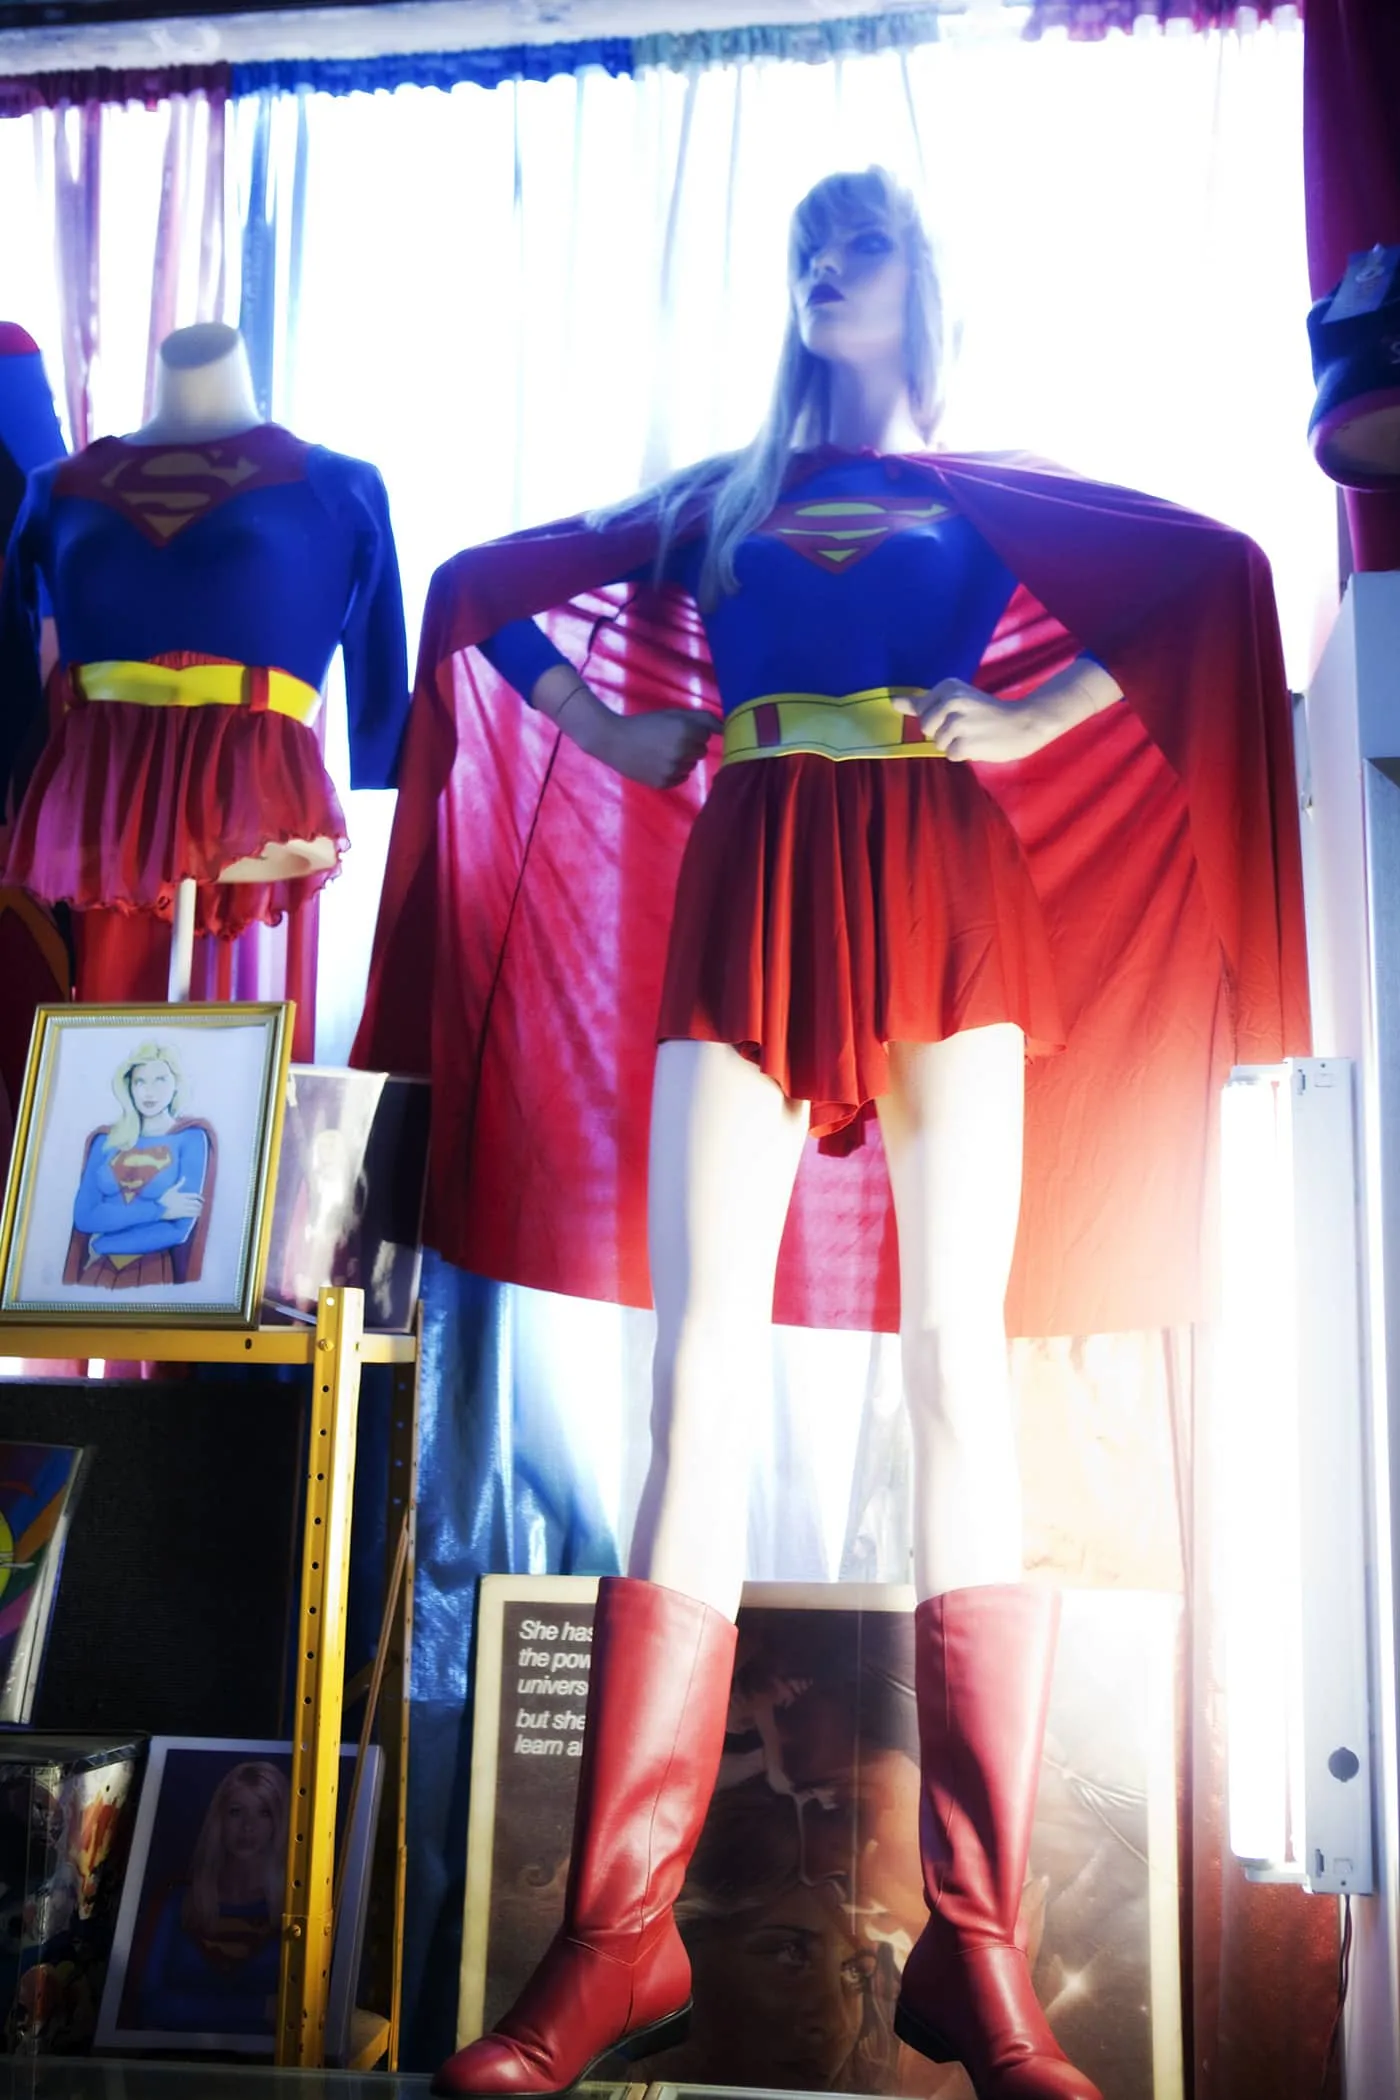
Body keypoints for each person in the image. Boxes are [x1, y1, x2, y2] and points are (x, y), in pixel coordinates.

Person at [408, 168, 1308, 2100]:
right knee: (694, 1389)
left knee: (959, 1383)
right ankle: (614, 1937)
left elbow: (1218, 581)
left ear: (923, 280)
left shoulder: (984, 499)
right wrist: (619, 729)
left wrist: (1024, 716)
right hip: (750, 880)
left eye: (861, 242)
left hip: (943, 887)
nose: (826, 267)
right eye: (806, 246)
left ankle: (976, 1963)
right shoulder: (719, 501)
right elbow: (475, 598)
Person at [136, 1759, 287, 2036]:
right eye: (236, 1812)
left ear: (279, 1823)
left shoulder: (295, 1911)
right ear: (219, 1819)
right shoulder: (175, 1904)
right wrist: (259, 2009)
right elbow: (150, 2005)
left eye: (264, 1812)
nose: (248, 1827)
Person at [68, 1040, 212, 1289]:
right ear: (129, 1087)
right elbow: (84, 1217)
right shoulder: (105, 1140)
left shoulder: (190, 1138)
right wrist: (158, 1210)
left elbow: (178, 1230)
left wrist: (103, 1243)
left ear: (176, 1084)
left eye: (160, 1080)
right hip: (97, 1273)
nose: (149, 1091)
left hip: (152, 1275)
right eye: (140, 1081)